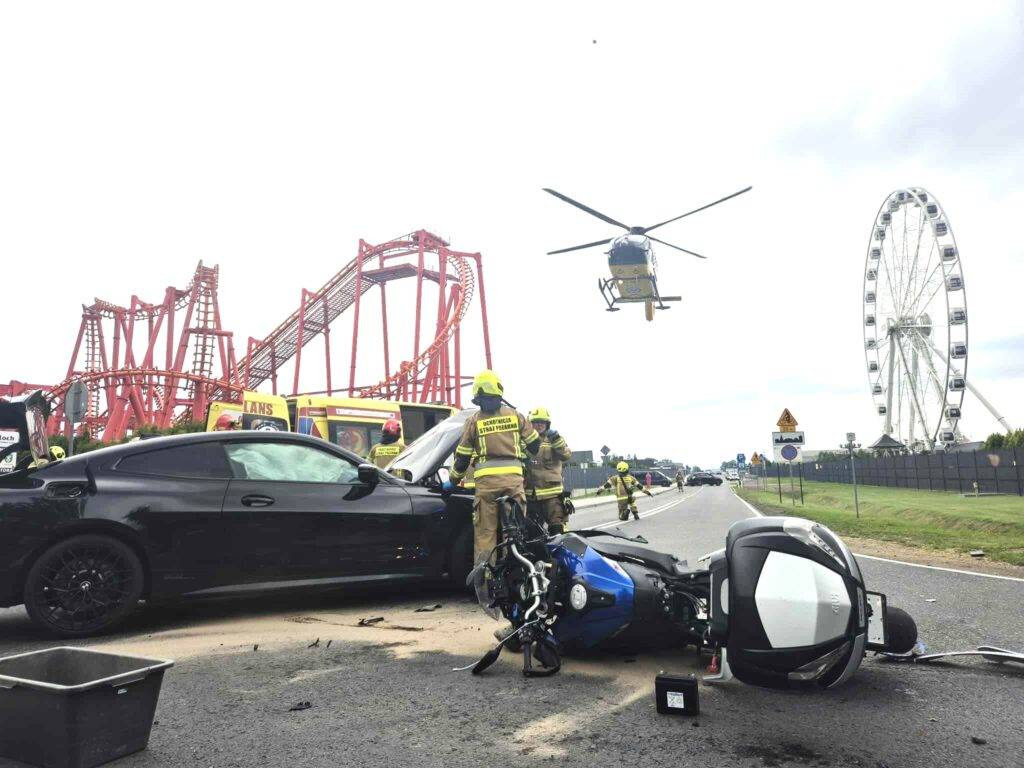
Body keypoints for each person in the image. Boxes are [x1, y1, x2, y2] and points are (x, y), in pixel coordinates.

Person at [447, 370, 541, 565]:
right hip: (513, 485)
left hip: (486, 488)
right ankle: (514, 578)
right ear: (499, 391)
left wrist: (453, 480)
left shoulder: (473, 421)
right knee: (514, 534)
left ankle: (486, 583)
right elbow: (535, 445)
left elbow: (463, 457)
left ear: (477, 397)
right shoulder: (515, 416)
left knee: (485, 537)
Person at [524, 407, 571, 535]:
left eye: (542, 422)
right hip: (530, 495)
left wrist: (557, 441)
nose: (538, 425)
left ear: (547, 424)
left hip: (552, 496)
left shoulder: (554, 439)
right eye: (535, 422)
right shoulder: (524, 440)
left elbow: (566, 455)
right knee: (531, 532)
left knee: (557, 530)